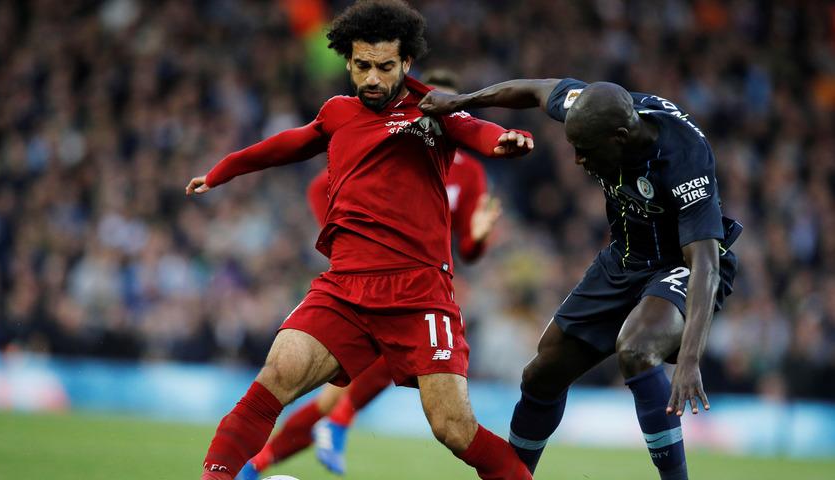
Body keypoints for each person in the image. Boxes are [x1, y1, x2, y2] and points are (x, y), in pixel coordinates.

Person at [186, 2, 534, 480]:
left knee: (454, 428)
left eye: (385, 67)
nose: (372, 78)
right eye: (363, 66)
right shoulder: (338, 113)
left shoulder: (432, 107)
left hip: (419, 293)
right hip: (345, 287)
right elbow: (288, 143)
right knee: (276, 376)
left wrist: (503, 140)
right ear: (349, 62)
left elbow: (474, 129)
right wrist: (224, 170)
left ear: (406, 63)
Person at [419, 78, 741, 480]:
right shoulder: (589, 109)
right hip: (624, 259)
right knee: (542, 372)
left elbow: (706, 264)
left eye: (586, 151)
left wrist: (690, 359)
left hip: (682, 265)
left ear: (620, 137)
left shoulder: (684, 157)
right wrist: (460, 101)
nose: (577, 160)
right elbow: (534, 90)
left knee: (636, 348)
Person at [238, 70, 503, 479]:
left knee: (337, 398)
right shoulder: (390, 140)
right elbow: (316, 188)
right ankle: (302, 441)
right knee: (333, 395)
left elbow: (468, 248)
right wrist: (346, 238)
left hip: (421, 289)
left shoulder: (468, 172)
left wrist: (480, 238)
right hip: (366, 279)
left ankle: (268, 460)